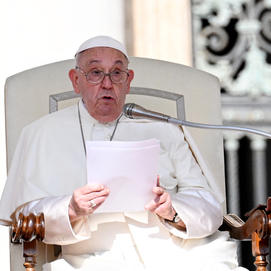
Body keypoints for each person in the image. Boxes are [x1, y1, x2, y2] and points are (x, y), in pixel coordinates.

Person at [0, 36, 247, 271]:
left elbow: (207, 203)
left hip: (180, 254)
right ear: (76, 80)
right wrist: (71, 208)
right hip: (95, 260)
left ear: (128, 81)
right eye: (96, 73)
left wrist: (172, 211)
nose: (107, 83)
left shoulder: (165, 129)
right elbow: (25, 216)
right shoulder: (41, 133)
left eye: (116, 73)